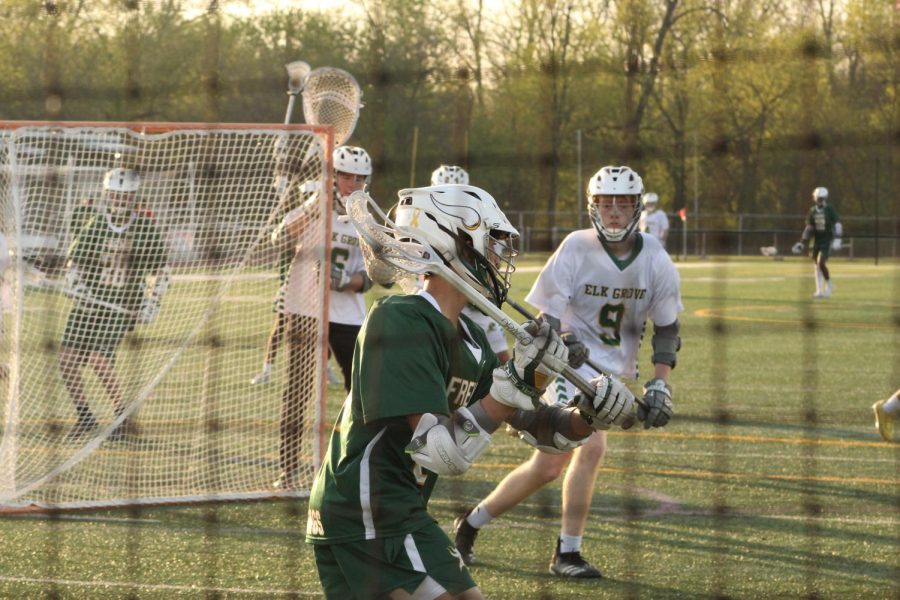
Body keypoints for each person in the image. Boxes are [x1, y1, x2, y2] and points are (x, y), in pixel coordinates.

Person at [305, 183, 648, 599]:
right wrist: (517, 382)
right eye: (491, 244)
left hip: (399, 511)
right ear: (449, 244)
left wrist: (587, 414)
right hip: (363, 511)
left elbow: (536, 427)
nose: (499, 259)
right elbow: (440, 451)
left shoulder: (471, 340)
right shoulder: (401, 321)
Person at [454, 165, 682, 578]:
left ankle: (470, 524)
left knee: (548, 466)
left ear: (636, 206)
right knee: (589, 447)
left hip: (613, 375)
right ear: (593, 206)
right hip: (566, 369)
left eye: (623, 203)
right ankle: (567, 554)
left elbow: (667, 328)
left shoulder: (654, 255)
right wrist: (562, 337)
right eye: (606, 203)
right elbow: (547, 317)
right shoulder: (577, 247)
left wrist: (661, 384)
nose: (614, 212)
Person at [271, 145, 378, 489]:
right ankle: (287, 469)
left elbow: (377, 276)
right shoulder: (314, 205)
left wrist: (347, 281)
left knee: (359, 391)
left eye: (360, 177)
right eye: (346, 175)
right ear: (333, 176)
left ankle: (351, 463)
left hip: (347, 314)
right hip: (305, 310)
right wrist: (314, 211)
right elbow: (279, 238)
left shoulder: (366, 218)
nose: (353, 183)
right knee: (296, 392)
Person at [58, 168, 169, 442]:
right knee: (66, 359)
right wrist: (75, 285)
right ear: (106, 195)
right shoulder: (94, 225)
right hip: (89, 307)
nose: (119, 201)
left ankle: (123, 416)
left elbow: (162, 270)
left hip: (122, 306)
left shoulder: (145, 228)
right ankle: (85, 416)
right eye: (115, 195)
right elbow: (74, 263)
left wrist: (152, 301)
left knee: (97, 358)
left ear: (134, 196)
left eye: (125, 196)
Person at [430, 164, 509, 364]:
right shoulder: (428, 228)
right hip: (439, 304)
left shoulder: (480, 227)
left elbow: (492, 268)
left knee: (499, 361)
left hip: (475, 305)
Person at [792, 186, 842, 298]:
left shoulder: (829, 209)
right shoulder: (812, 211)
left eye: (820, 198)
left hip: (826, 239)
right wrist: (802, 242)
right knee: (817, 266)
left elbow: (838, 224)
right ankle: (819, 291)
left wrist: (838, 238)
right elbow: (809, 228)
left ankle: (829, 285)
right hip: (815, 241)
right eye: (817, 198)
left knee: (821, 263)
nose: (818, 199)